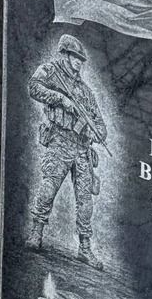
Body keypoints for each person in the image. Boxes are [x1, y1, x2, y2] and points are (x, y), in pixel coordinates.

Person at [29, 33, 107, 266]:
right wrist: (60, 99)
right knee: (49, 186)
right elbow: (34, 87)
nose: (79, 62)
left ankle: (85, 247)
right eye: (75, 57)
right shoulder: (50, 72)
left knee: (85, 200)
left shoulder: (85, 91)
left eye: (81, 60)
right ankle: (36, 233)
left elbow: (101, 125)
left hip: (82, 149)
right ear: (64, 54)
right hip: (60, 140)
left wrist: (96, 133)